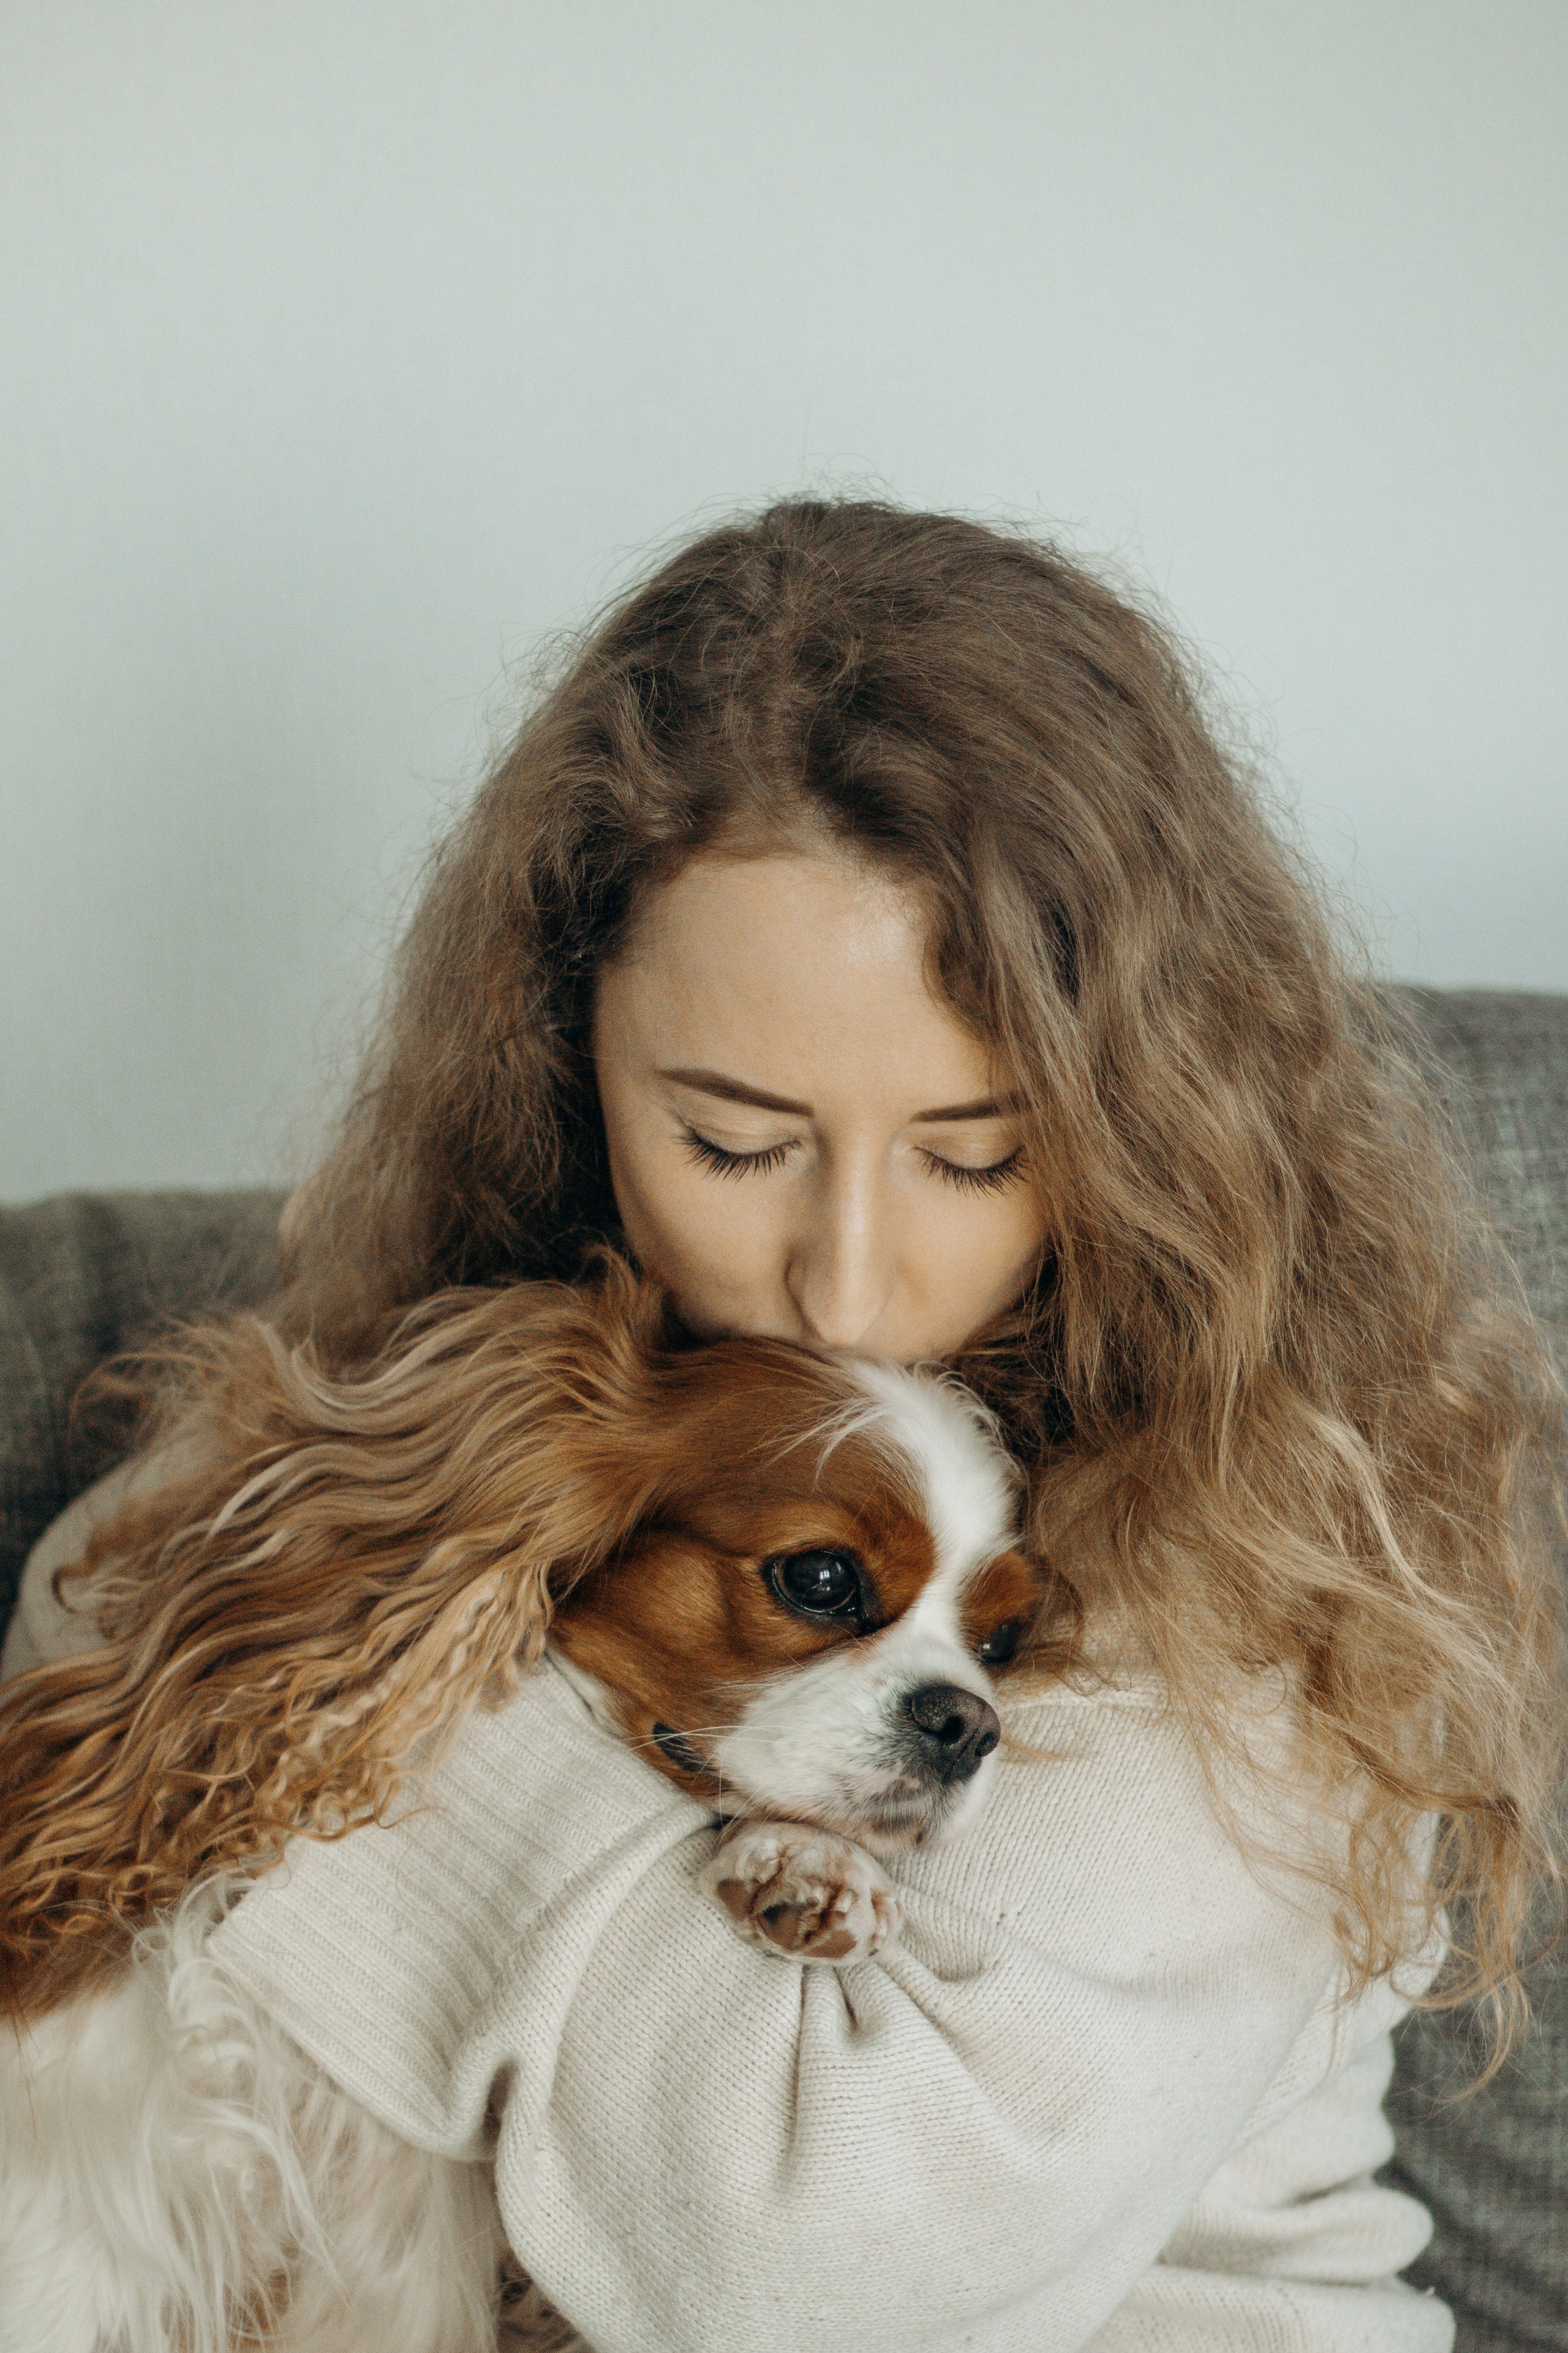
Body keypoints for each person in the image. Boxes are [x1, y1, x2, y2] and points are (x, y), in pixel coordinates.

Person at [4, 498, 1563, 2351]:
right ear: (567, 1057)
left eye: (971, 1155)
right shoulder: (473, 1375)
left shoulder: (1264, 1567)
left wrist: (312, 1620)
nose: (843, 1279)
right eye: (736, 1141)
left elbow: (803, 2259)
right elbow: (86, 1634)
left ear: (1140, 1128)